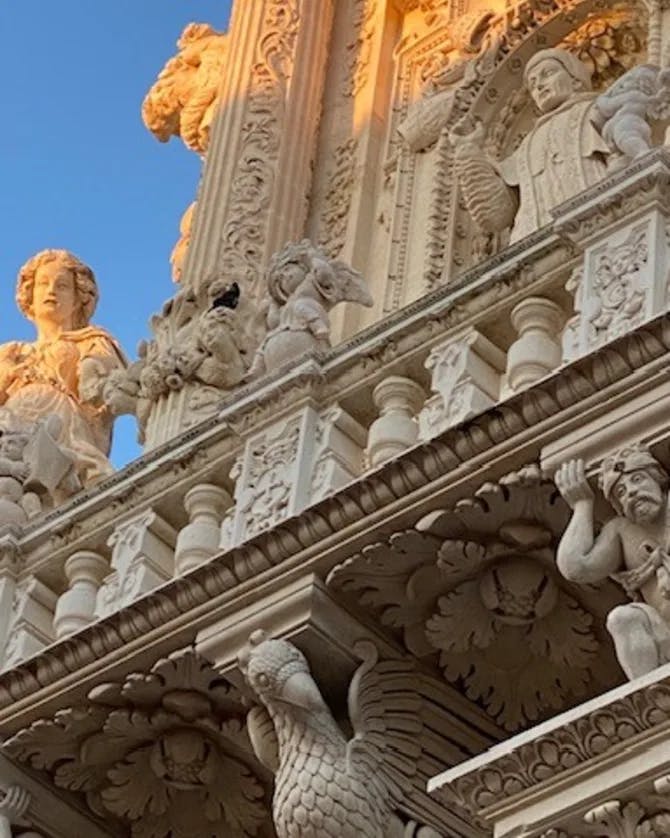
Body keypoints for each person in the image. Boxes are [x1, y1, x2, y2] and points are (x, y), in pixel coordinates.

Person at [452, 48, 611, 242]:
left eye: (548, 74)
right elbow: (496, 217)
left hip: (601, 227)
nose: (540, 86)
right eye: (533, 83)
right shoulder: (527, 146)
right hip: (533, 247)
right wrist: (468, 152)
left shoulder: (596, 111)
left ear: (576, 79)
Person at [0, 249, 126, 486]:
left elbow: (107, 392)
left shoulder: (92, 342)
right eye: (43, 284)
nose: (51, 291)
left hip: (66, 428)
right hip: (12, 431)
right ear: (30, 295)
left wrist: (91, 372)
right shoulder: (12, 351)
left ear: (79, 298)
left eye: (62, 286)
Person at [555, 446, 670, 679]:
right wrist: (582, 504)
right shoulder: (622, 530)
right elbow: (576, 567)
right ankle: (654, 698)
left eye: (638, 479)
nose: (632, 492)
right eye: (621, 491)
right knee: (622, 618)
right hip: (665, 634)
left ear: (659, 478)